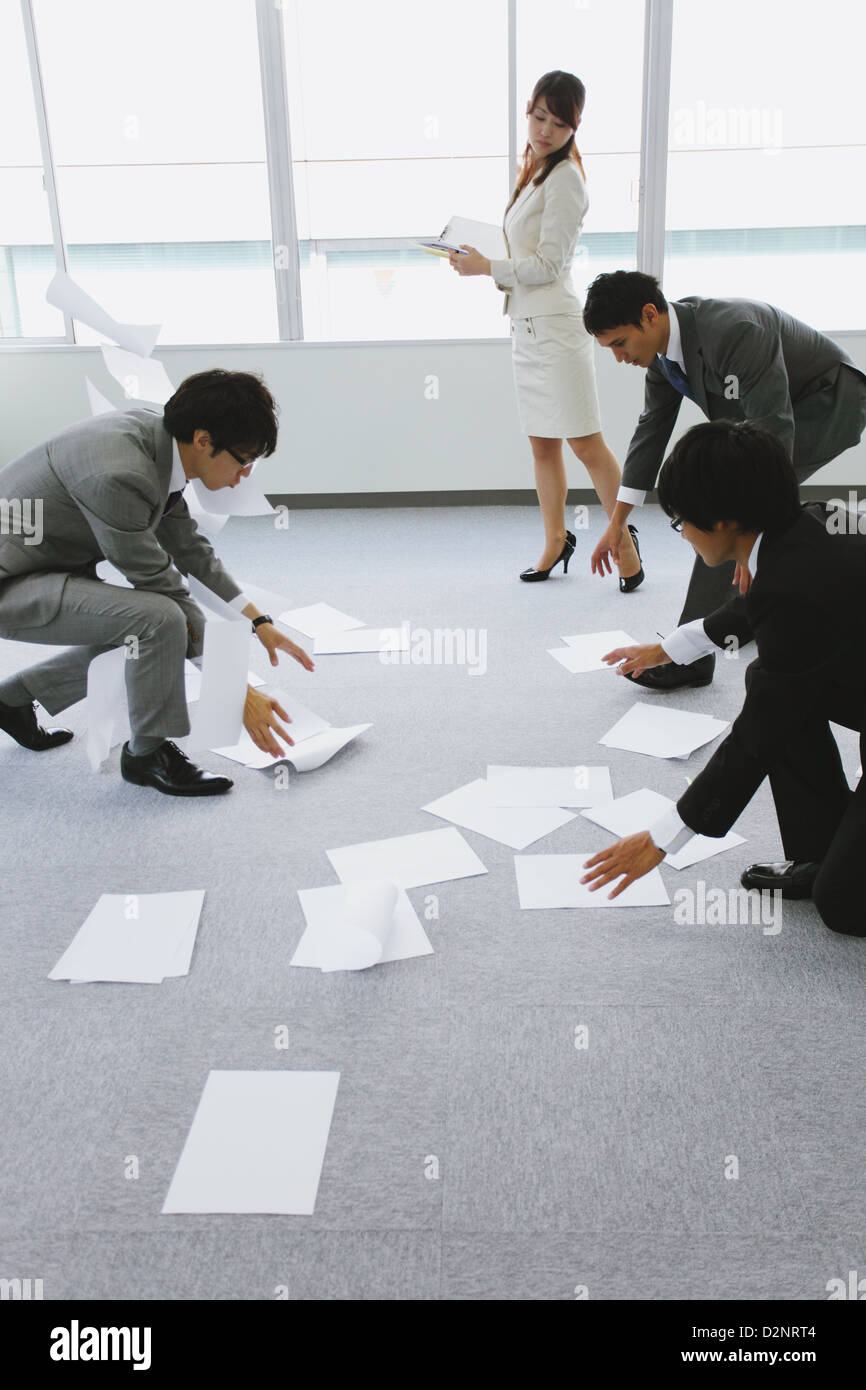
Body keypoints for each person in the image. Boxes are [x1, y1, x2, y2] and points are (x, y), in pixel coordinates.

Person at [581, 419, 866, 937]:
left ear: (726, 521)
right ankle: (820, 851)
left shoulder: (791, 586)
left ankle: (838, 869)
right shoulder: (806, 525)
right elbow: (755, 608)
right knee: (769, 680)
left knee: (846, 904)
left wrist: (665, 835)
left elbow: (755, 738)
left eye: (681, 522)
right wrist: (668, 647)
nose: (683, 533)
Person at [0, 369, 312, 796]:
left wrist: (259, 621)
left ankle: (12, 699)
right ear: (204, 440)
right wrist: (235, 688)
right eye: (243, 459)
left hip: (43, 563)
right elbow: (165, 588)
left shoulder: (160, 446)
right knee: (159, 619)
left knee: (141, 625)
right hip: (10, 583)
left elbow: (190, 551)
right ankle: (147, 755)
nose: (244, 476)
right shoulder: (119, 474)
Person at [583, 270, 866, 686]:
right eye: (608, 349)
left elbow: (774, 429)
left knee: (724, 510)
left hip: (828, 403)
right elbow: (650, 434)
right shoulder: (664, 359)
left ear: (649, 315)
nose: (618, 357)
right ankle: (746, 615)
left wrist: (755, 529)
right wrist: (617, 522)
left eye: (620, 343)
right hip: (769, 416)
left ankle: (690, 658)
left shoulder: (735, 330)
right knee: (729, 509)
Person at [448, 70, 643, 590]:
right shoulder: (533, 170)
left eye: (559, 124)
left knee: (586, 445)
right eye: (539, 118)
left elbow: (550, 266)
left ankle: (624, 543)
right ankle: (556, 541)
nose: (545, 130)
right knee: (541, 447)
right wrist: (489, 268)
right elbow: (524, 257)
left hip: (557, 329)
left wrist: (488, 267)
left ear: (575, 126)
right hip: (525, 328)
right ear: (528, 109)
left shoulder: (567, 180)